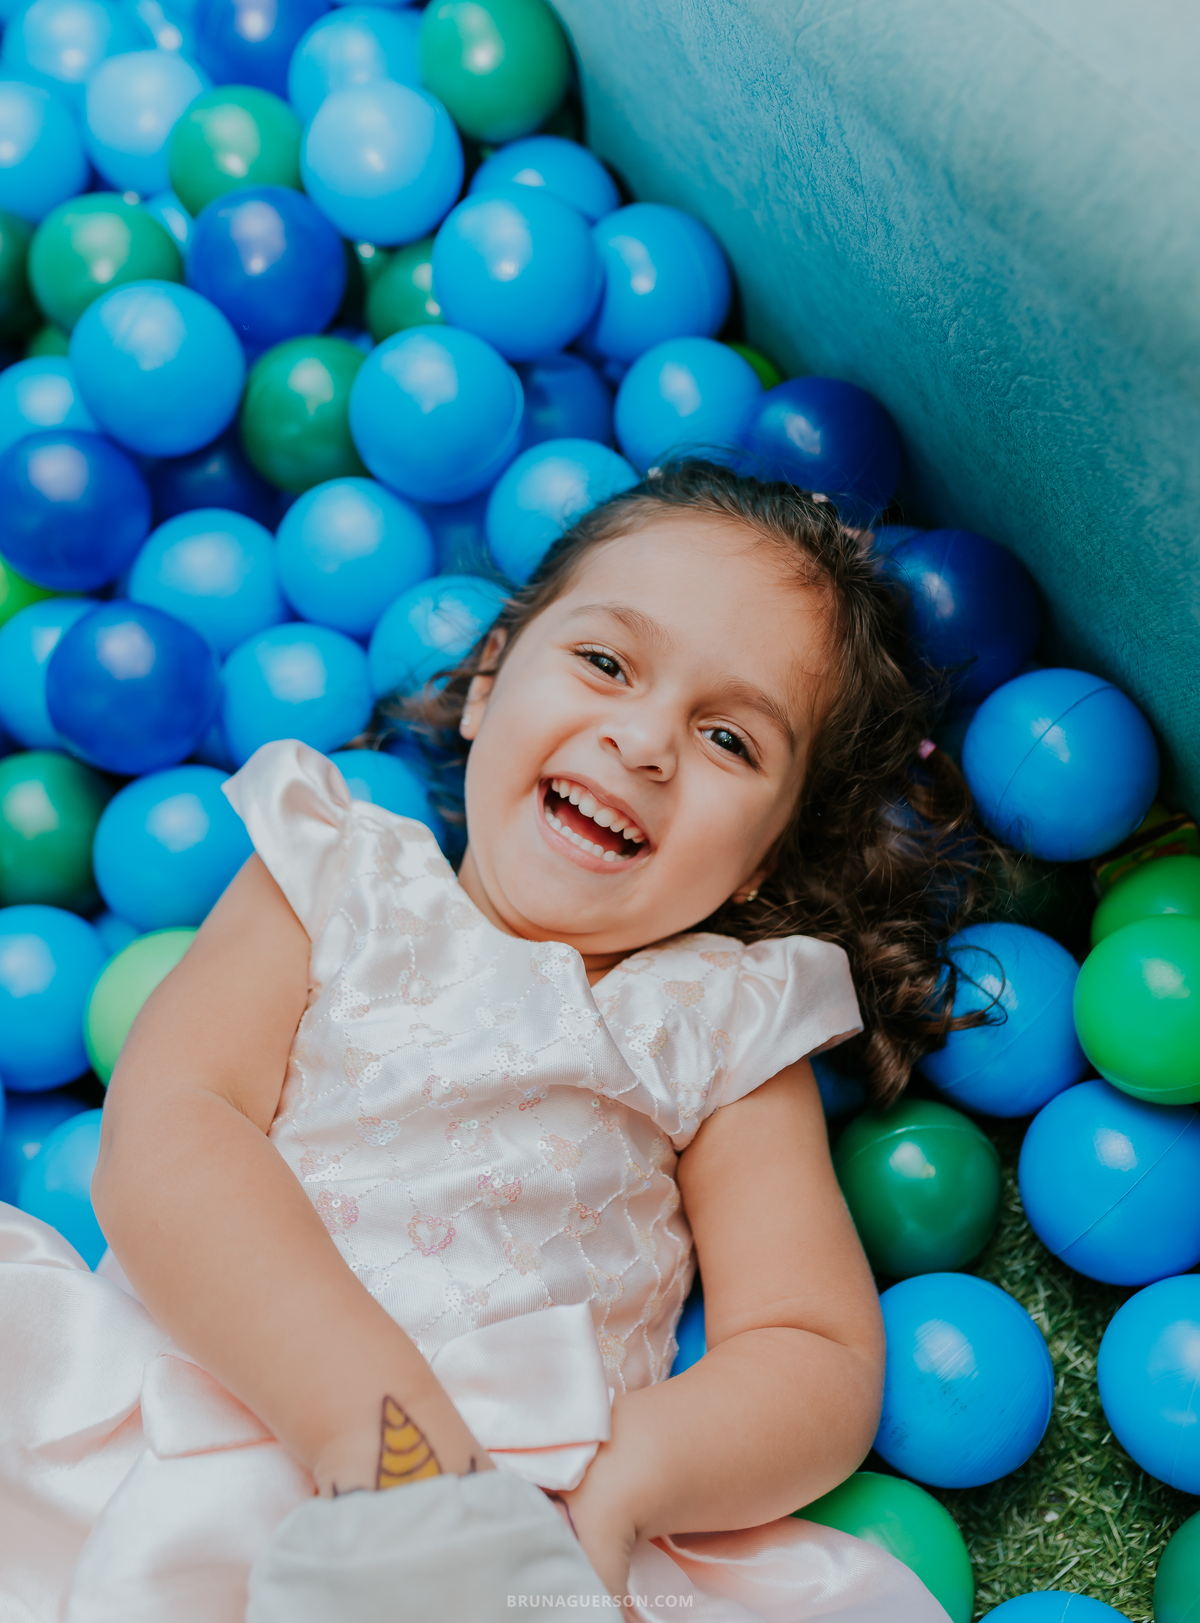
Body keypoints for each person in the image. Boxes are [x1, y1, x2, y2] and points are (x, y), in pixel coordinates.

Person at [0, 463, 994, 1621]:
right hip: (205, 1407)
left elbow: (812, 1348)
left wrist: (623, 1482)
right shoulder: (335, 875)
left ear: (765, 857)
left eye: (729, 739)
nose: (646, 741)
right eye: (608, 663)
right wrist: (375, 1434)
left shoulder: (724, 1023)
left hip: (525, 1515)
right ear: (486, 682)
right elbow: (171, 1130)